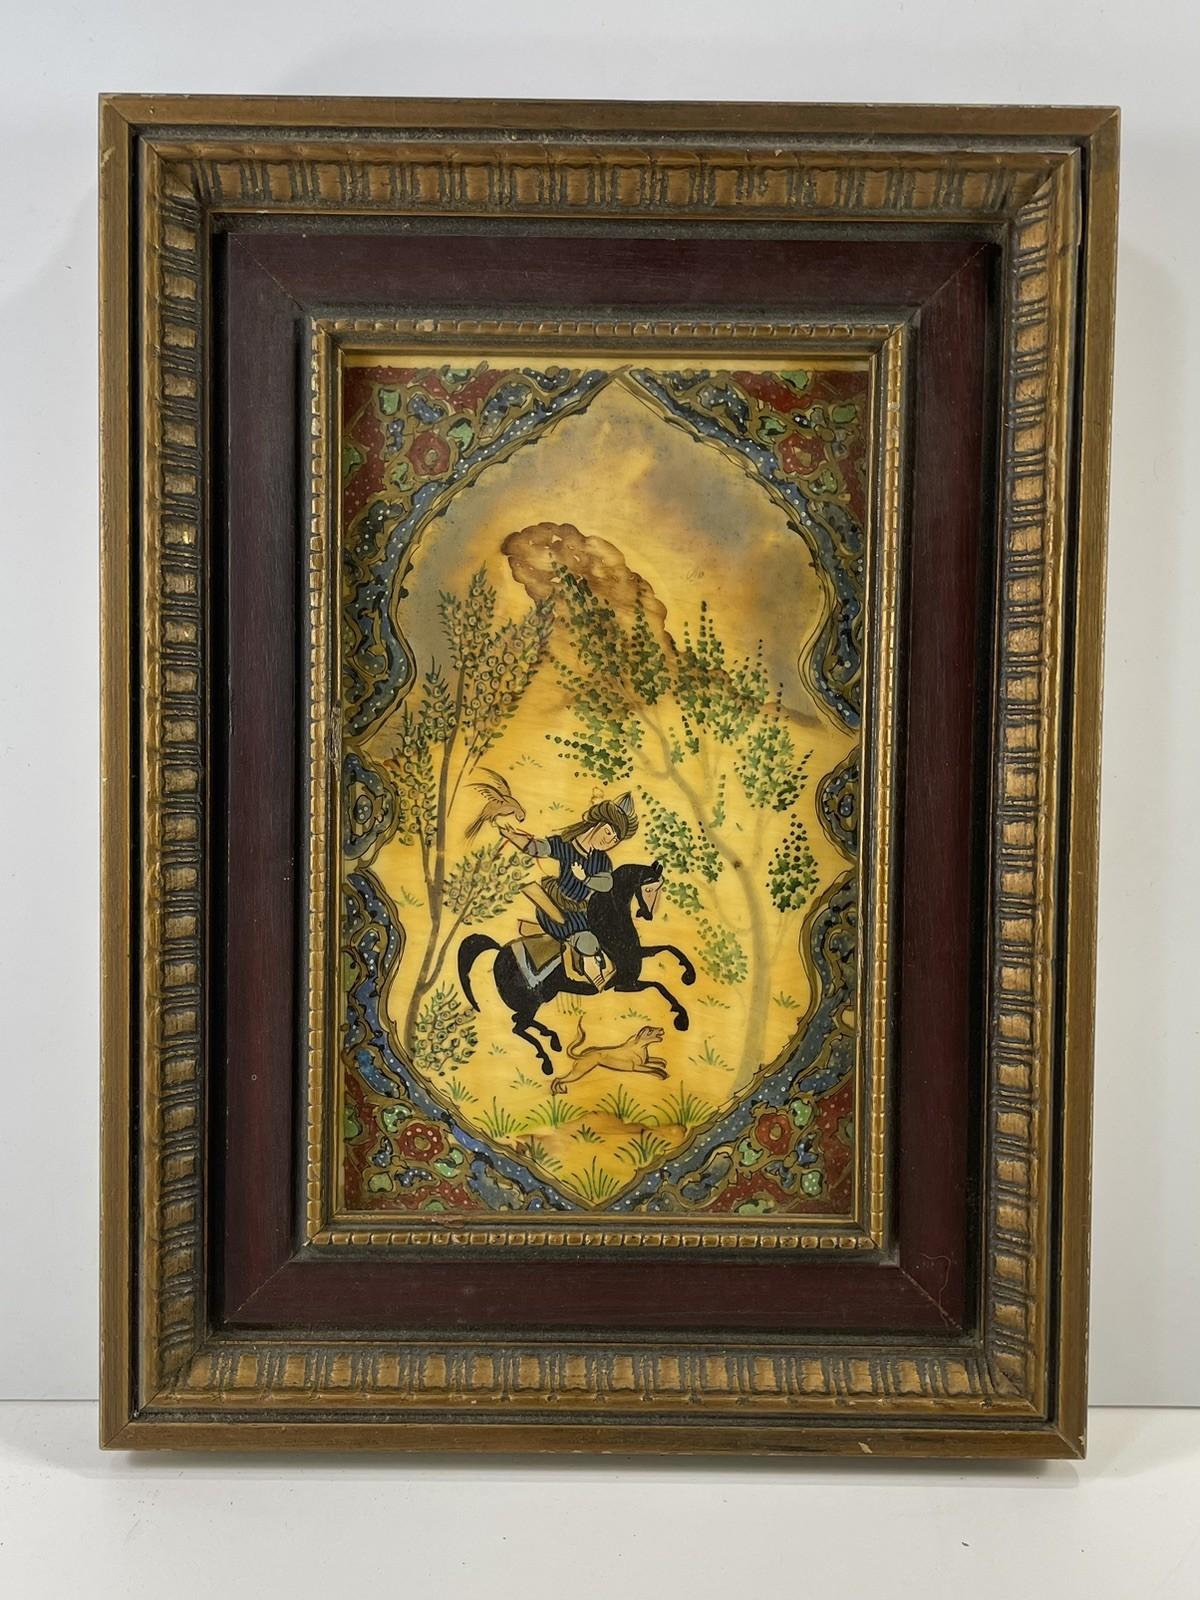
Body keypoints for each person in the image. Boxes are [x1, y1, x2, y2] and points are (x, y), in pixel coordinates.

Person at [498, 794, 638, 989]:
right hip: (557, 907)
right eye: (608, 832)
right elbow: (538, 848)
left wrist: (586, 879)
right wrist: (513, 836)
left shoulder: (602, 860)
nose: (610, 841)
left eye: (615, 839)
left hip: (582, 912)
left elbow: (607, 883)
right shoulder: (566, 845)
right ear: (597, 824)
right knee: (589, 943)